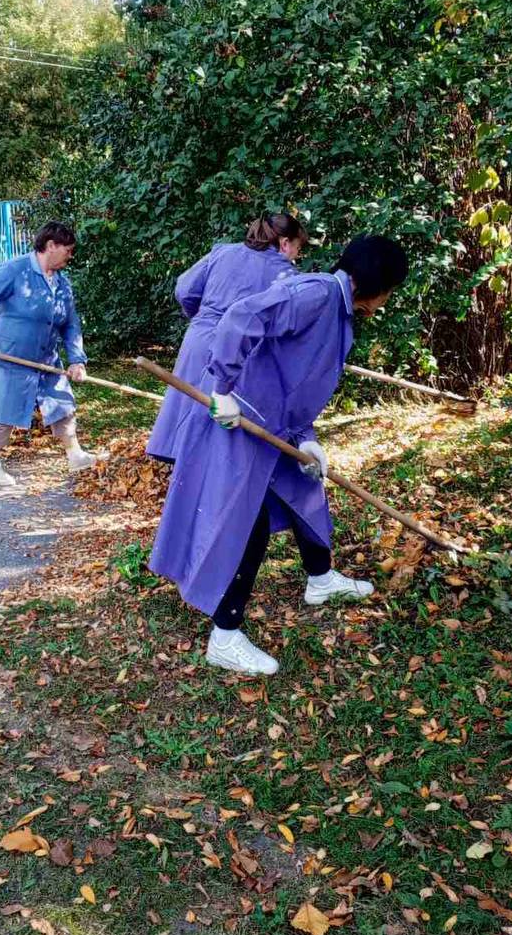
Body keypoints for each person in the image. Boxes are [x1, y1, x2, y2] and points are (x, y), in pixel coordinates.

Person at [149, 235, 408, 675]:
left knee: (306, 488)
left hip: (278, 426)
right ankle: (225, 636)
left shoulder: (339, 312)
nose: (385, 303)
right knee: (248, 521)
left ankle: (321, 579)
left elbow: (297, 378)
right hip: (240, 420)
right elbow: (241, 317)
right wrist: (222, 388)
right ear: (377, 285)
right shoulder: (317, 292)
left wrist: (307, 438)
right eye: (389, 293)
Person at [146, 212, 307, 463]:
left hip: (198, 341)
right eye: (298, 248)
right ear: (285, 243)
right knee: (218, 437)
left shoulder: (223, 252)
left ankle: (181, 485)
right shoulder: (287, 277)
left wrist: (202, 320)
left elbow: (184, 289)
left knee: (189, 419)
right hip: (241, 353)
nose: (297, 255)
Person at [0, 220, 99, 487]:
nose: (71, 256)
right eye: (68, 250)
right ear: (51, 245)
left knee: (62, 403)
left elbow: (70, 324)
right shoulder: (16, 271)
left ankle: (75, 455)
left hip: (45, 358)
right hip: (9, 357)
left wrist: (77, 360)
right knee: (1, 409)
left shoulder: (61, 283)